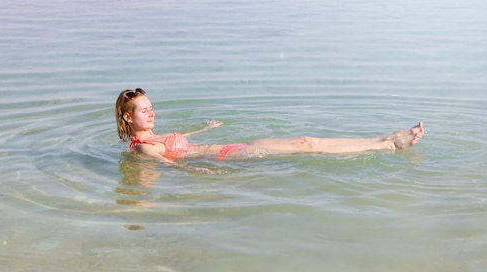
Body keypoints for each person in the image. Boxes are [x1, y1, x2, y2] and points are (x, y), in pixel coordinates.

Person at [115, 88, 424, 169]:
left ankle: (381, 138)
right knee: (306, 144)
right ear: (129, 119)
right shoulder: (142, 147)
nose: (152, 112)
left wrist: (203, 129)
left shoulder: (154, 137)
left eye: (151, 107)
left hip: (231, 145)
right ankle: (388, 144)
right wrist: (197, 172)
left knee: (306, 139)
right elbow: (166, 164)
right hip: (226, 157)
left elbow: (178, 144)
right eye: (144, 110)